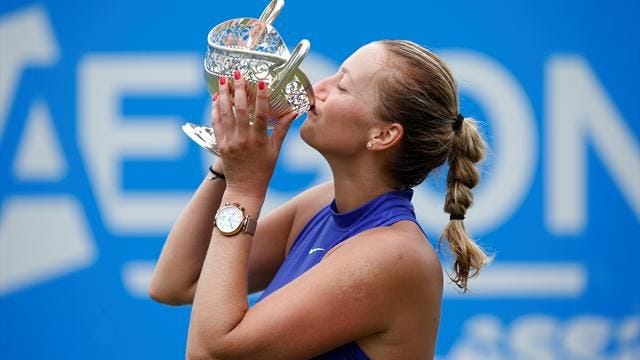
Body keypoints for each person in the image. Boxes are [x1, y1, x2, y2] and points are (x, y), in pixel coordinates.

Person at [149, 40, 491, 359]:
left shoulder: (396, 256)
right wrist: (228, 161)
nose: (317, 87)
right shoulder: (318, 206)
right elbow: (176, 283)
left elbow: (210, 351)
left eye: (342, 86)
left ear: (384, 135)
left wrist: (243, 190)